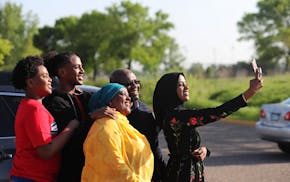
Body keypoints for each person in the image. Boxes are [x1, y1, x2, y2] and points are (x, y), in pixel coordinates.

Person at [153, 72, 263, 182]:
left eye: (186, 84)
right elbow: (217, 113)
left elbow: (184, 148)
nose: (187, 87)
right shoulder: (178, 116)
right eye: (181, 85)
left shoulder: (176, 115)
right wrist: (250, 92)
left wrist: (204, 150)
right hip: (181, 176)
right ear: (170, 90)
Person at [42, 51, 115, 182]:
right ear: (62, 72)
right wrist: (93, 116)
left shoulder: (87, 97)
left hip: (92, 167)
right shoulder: (53, 101)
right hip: (70, 170)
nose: (82, 71)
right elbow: (71, 135)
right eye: (76, 67)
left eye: (81, 67)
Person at [10, 56, 79, 182]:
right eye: (44, 76)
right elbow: (46, 151)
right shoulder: (34, 109)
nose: (50, 80)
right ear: (30, 82)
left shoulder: (31, 106)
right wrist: (71, 128)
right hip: (32, 177)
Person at [82, 83, 154, 181]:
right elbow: (114, 166)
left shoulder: (123, 124)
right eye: (122, 94)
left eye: (128, 95)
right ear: (110, 102)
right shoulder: (105, 125)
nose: (128, 98)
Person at [109, 68, 167, 181]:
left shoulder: (144, 110)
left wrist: (162, 172)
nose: (135, 86)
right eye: (129, 84)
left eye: (136, 82)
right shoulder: (108, 114)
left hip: (146, 173)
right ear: (115, 87)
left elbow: (153, 145)